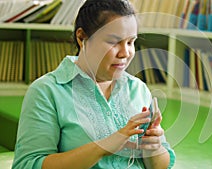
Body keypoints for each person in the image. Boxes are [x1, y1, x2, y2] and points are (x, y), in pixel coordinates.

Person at [12, 0, 176, 168]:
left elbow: (161, 165)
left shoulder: (138, 89)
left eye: (130, 42)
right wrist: (102, 147)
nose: (125, 53)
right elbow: (27, 164)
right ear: (82, 38)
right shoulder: (46, 92)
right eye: (113, 42)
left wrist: (153, 148)